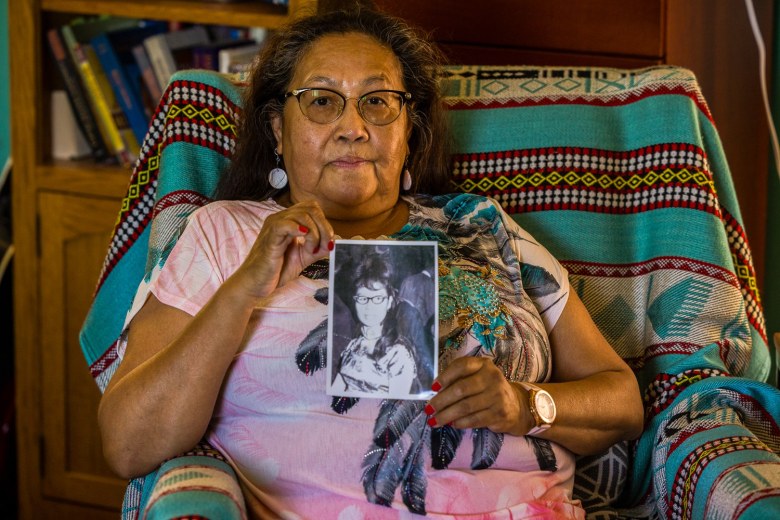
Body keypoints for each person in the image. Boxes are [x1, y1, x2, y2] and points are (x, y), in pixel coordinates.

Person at [98, 3, 644, 519]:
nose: (353, 126)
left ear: (409, 132)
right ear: (276, 131)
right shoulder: (225, 233)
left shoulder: (479, 224)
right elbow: (128, 445)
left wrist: (527, 406)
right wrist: (244, 288)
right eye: (321, 100)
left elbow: (621, 401)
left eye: (378, 101)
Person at [331, 249, 419, 397]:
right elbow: (334, 394)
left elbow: (392, 412)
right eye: (363, 298)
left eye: (378, 299)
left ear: (389, 302)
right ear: (355, 302)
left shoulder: (398, 354)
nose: (369, 306)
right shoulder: (353, 346)